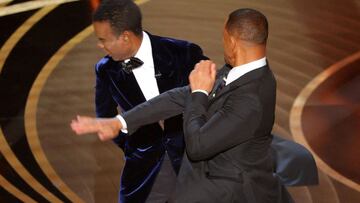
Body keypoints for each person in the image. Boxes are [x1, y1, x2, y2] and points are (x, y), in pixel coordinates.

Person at [71, 8, 307, 202]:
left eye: (224, 38)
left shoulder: (252, 98)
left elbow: (197, 146)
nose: (222, 43)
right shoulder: (238, 71)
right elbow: (179, 96)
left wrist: (200, 93)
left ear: (233, 43)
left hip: (230, 193)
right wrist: (120, 122)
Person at [89, 0, 207, 202]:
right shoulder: (105, 70)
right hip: (143, 170)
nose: (100, 45)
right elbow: (105, 115)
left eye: (103, 39)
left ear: (125, 36)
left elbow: (210, 98)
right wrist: (132, 145)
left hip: (194, 164)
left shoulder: (184, 53)